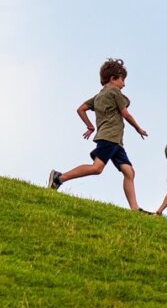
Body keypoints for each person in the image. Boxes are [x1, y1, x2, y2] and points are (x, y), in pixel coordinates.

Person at [48, 58, 149, 210]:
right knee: (97, 168)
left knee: (129, 172)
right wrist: (138, 128)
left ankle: (135, 209)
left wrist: (90, 126)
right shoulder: (115, 92)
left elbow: (80, 109)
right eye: (122, 79)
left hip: (114, 140)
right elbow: (125, 113)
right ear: (113, 78)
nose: (124, 84)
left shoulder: (98, 96)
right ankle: (59, 178)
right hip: (110, 138)